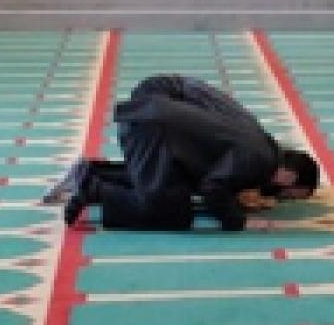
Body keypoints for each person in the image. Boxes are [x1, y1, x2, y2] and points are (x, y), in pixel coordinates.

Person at [47, 73, 319, 231]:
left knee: (172, 188)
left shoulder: (259, 139)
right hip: (151, 130)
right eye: (292, 195)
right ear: (288, 177)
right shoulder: (260, 160)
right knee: (172, 211)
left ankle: (92, 173)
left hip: (154, 117)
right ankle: (93, 189)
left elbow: (207, 174)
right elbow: (213, 187)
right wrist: (238, 220)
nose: (284, 198)